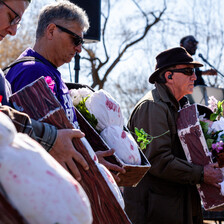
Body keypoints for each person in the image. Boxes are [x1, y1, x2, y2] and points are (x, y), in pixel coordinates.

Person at [0, 0, 124, 182]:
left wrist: (90, 158)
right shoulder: (33, 71)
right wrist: (88, 163)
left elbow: (58, 139)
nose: (79, 48)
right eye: (76, 39)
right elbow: (30, 144)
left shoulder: (48, 72)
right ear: (51, 31)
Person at [123, 47, 223, 224]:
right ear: (168, 76)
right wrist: (202, 173)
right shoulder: (152, 107)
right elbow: (158, 160)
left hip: (178, 206)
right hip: (156, 212)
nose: (194, 76)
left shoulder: (181, 107)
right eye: (188, 71)